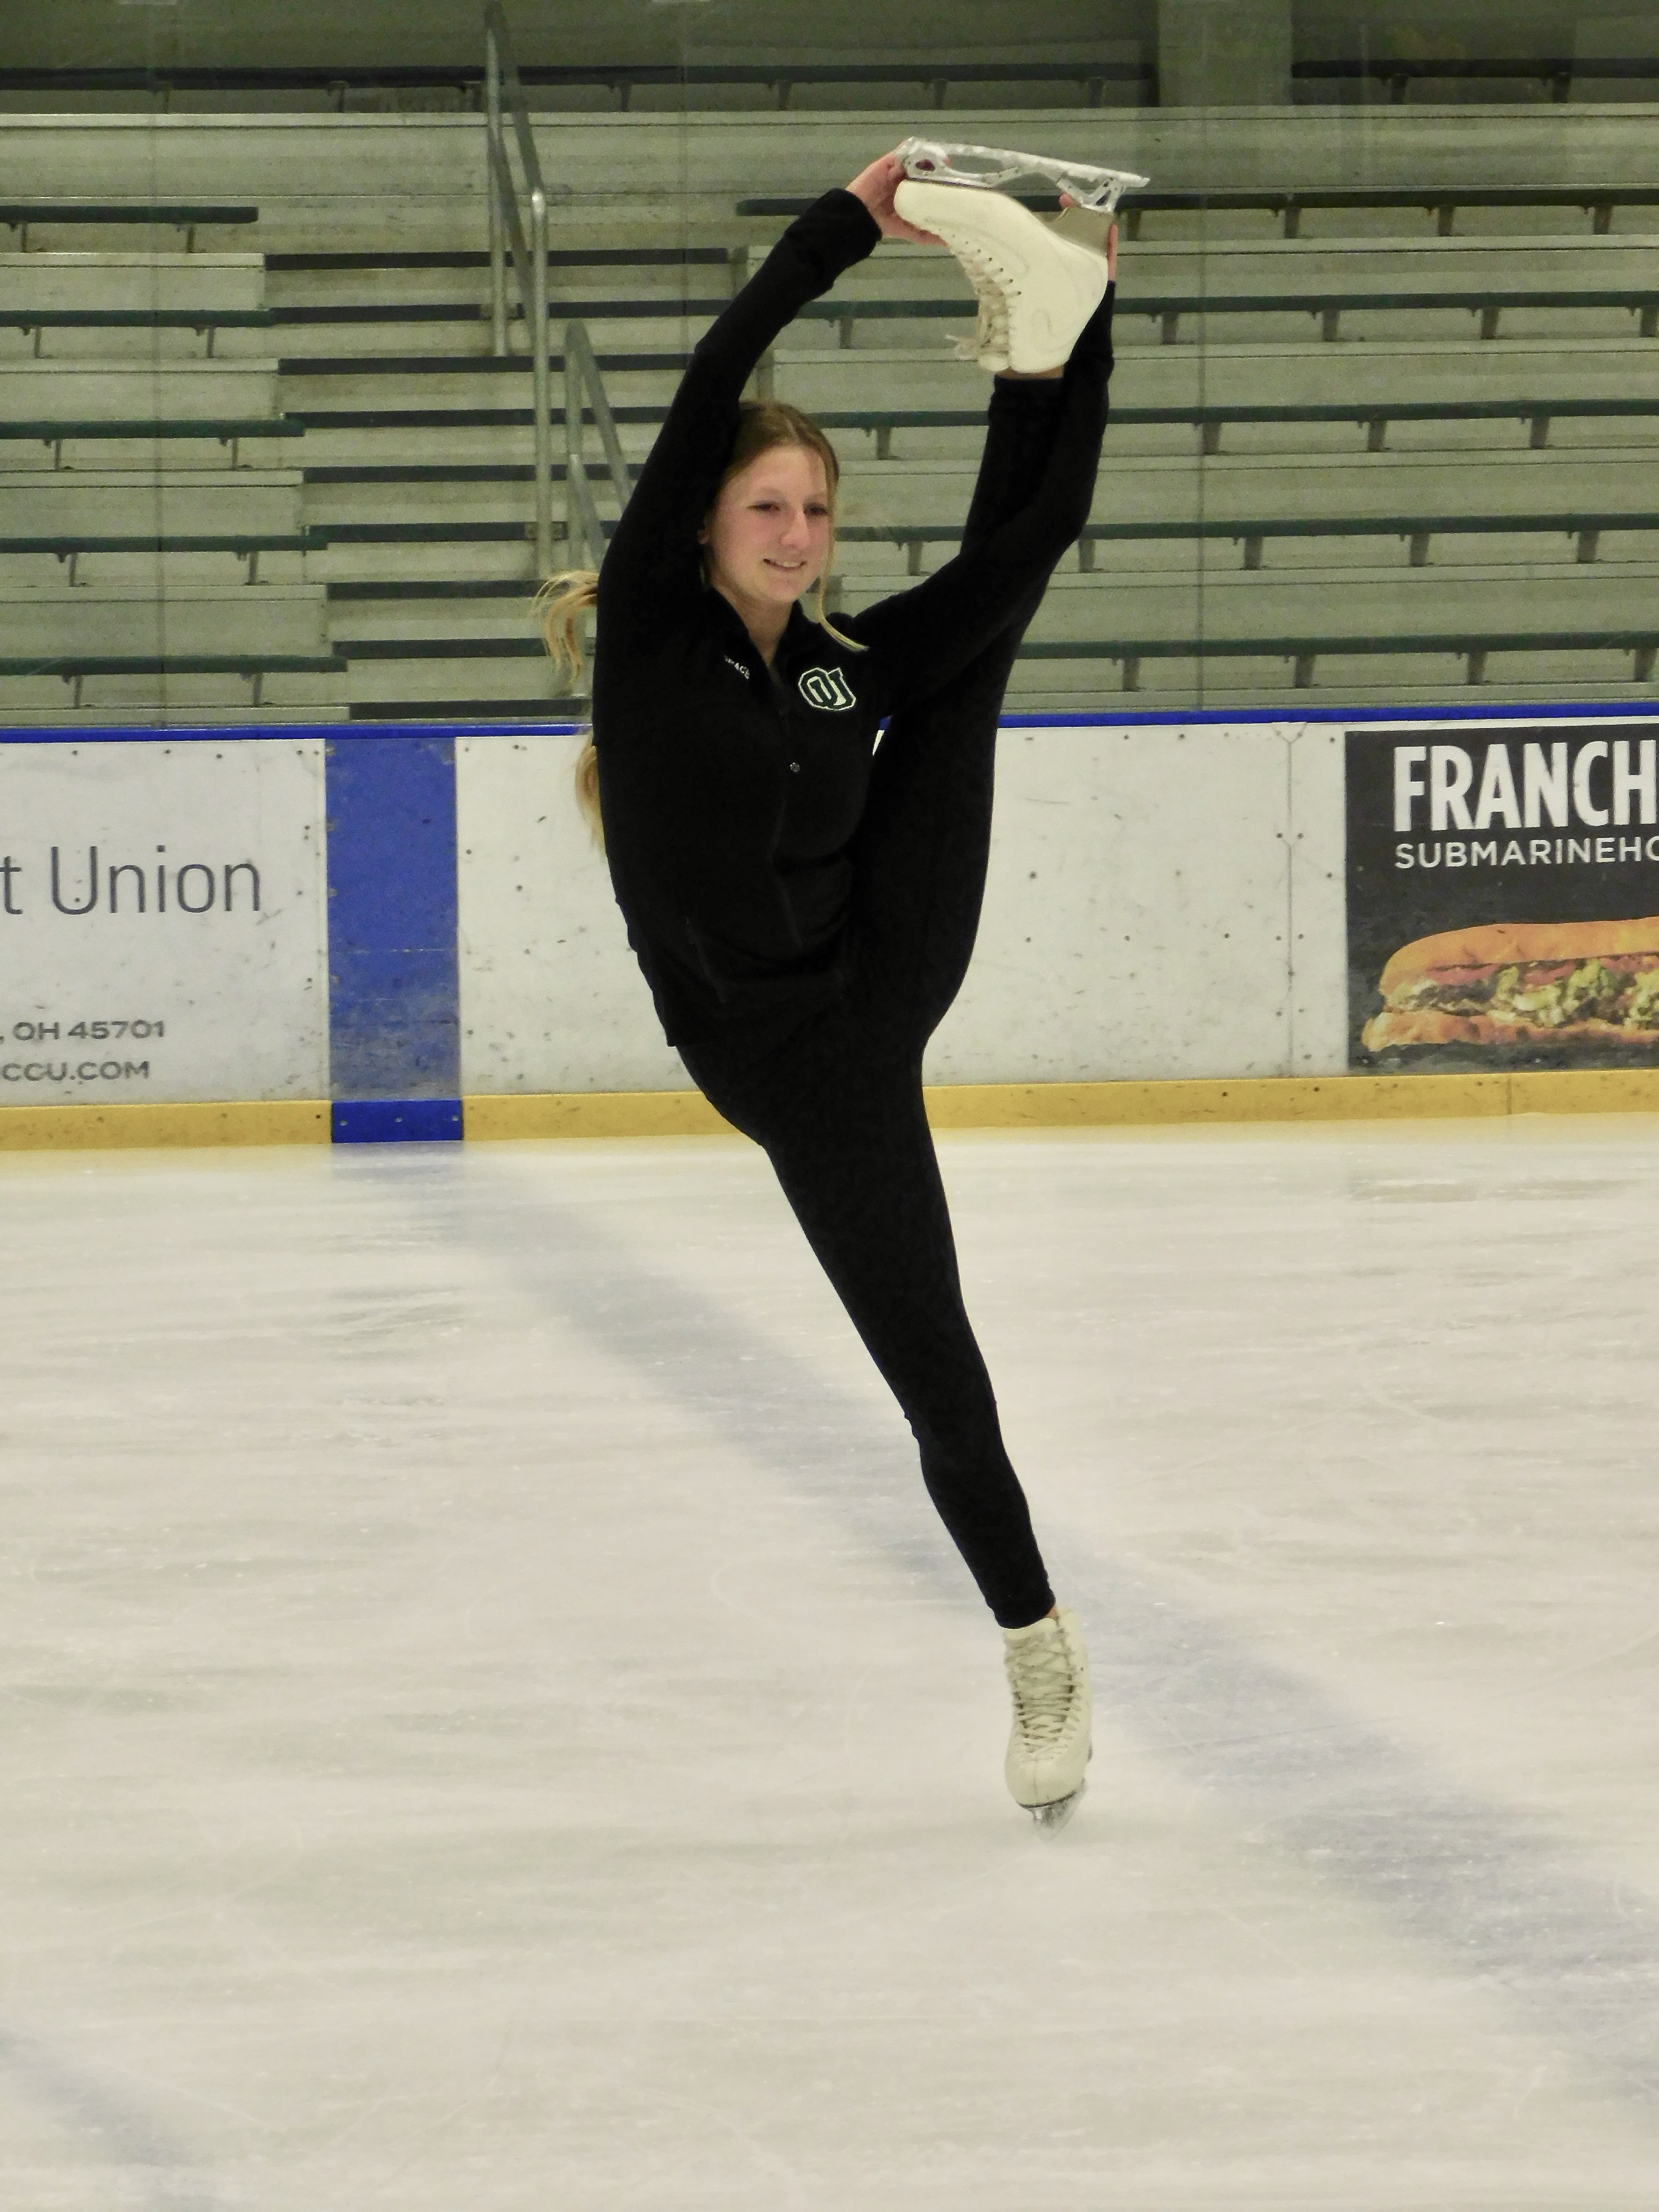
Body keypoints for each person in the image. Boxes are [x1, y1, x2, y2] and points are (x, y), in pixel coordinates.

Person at [541, 148, 1117, 1828]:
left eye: (817, 513)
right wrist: (843, 233)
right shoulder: (656, 633)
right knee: (935, 1367)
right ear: (710, 518)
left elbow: (1035, 536)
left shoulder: (845, 676)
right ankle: (1042, 1640)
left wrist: (1096, 327)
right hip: (782, 1060)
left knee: (984, 623)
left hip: (881, 970)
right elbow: (720, 375)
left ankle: (1050, 335)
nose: (798, 536)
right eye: (770, 509)